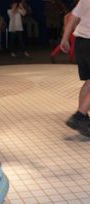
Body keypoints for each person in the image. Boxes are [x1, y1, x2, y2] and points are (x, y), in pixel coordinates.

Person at [61, 0, 90, 137]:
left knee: (89, 82)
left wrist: (65, 39)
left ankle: (84, 121)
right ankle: (79, 116)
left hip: (81, 43)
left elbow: (72, 17)